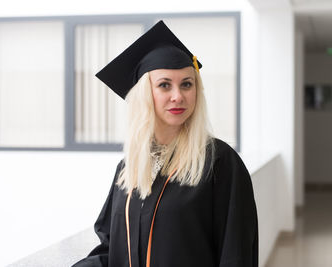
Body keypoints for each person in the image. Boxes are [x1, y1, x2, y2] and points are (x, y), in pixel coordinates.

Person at [72, 20, 258, 267]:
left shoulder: (219, 162)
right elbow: (113, 249)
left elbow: (236, 254)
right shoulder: (128, 169)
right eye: (164, 85)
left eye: (186, 84)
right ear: (144, 94)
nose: (178, 96)